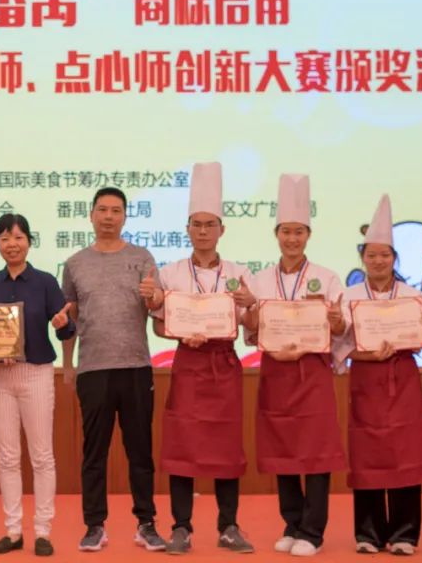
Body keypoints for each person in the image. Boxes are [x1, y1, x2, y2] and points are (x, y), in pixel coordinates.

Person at [147, 163, 256, 554]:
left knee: (227, 446)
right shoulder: (171, 273)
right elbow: (159, 325)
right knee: (182, 447)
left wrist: (251, 303)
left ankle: (229, 526)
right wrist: (178, 332)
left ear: (222, 229)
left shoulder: (240, 273)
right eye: (197, 224)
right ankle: (181, 527)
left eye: (210, 224)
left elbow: (252, 326)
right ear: (188, 229)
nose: (204, 231)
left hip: (224, 365)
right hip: (188, 365)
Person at [337, 195, 422, 555]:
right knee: (367, 455)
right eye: (371, 255)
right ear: (363, 258)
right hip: (366, 383)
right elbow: (337, 347)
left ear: (394, 258)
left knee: (406, 455)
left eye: (384, 255)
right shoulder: (348, 296)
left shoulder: (414, 296)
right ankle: (368, 533)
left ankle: (405, 534)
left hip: (402, 382)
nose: (378, 261)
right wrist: (364, 353)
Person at [61, 186, 166, 553]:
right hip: (93, 369)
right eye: (102, 210)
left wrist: (155, 296)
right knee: (94, 452)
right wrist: (68, 364)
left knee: (140, 451)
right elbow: (70, 318)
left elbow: (158, 305)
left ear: (124, 216)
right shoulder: (75, 263)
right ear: (91, 215)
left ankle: (146, 523)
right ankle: (94, 525)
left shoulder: (142, 257)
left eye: (116, 210)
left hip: (136, 367)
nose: (108, 216)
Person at [248, 174, 346, 557]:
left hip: (312, 374)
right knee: (282, 449)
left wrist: (336, 320)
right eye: (286, 231)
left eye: (299, 232)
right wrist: (247, 314)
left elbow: (341, 328)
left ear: (309, 235)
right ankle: (291, 523)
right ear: (276, 234)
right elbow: (251, 331)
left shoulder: (327, 278)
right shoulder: (259, 280)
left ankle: (313, 532)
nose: (292, 238)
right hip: (275, 373)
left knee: (317, 452)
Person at [0, 214, 74, 557]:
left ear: (29, 241)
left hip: (36, 374)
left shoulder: (45, 281)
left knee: (42, 456)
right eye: (4, 238)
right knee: (7, 457)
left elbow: (67, 329)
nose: (12, 244)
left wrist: (62, 323)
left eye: (18, 237)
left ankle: (43, 531)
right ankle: (13, 531)